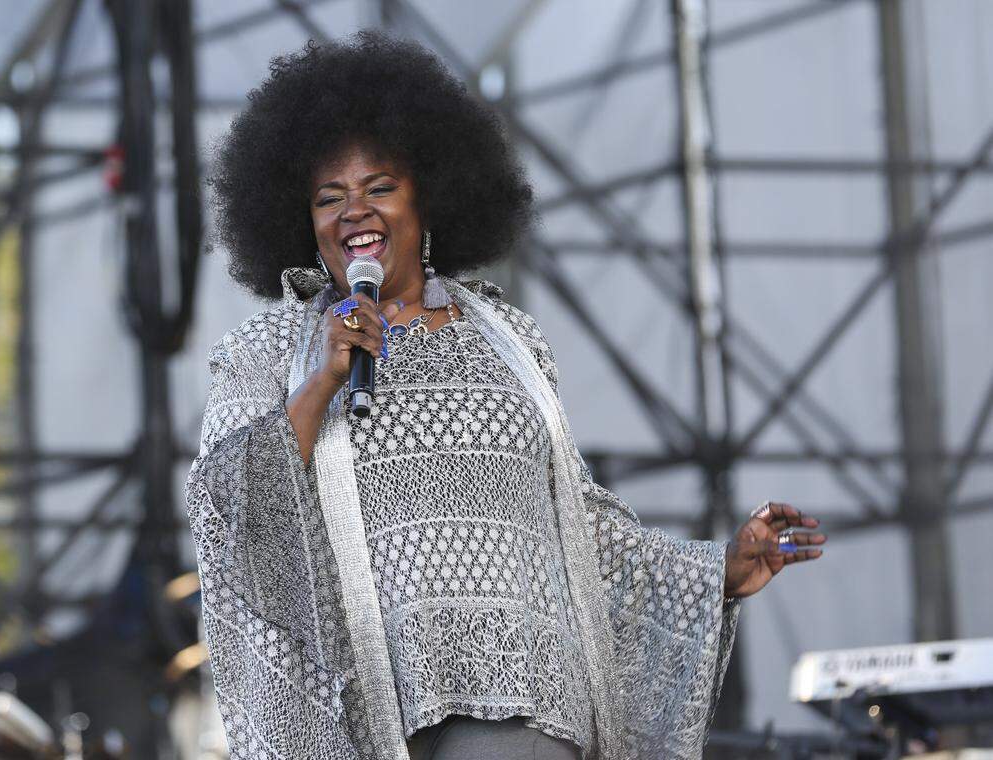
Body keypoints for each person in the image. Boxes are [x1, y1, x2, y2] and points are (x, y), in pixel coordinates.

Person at [187, 31, 825, 760]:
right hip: (357, 713)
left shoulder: (510, 341)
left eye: (380, 188)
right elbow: (227, 514)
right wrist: (322, 381)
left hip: (523, 696)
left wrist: (716, 573)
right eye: (330, 198)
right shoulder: (266, 351)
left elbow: (577, 531)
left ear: (429, 199)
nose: (354, 210)